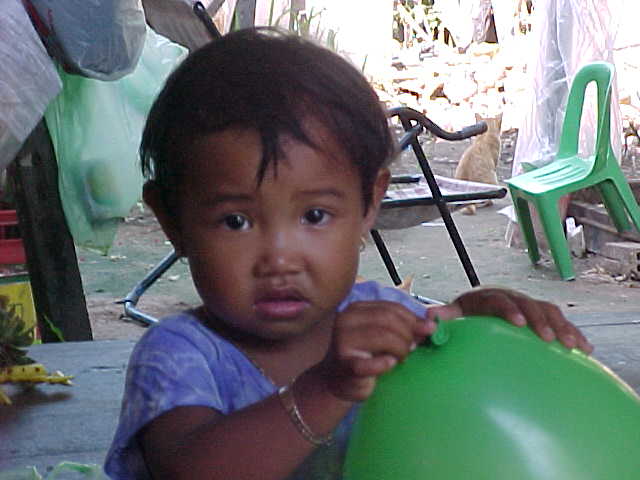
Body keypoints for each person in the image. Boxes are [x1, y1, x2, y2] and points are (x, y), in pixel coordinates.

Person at [104, 27, 592, 480]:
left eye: (314, 216)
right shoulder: (179, 358)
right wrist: (326, 388)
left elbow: (450, 357)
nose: (279, 258)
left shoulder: (385, 319)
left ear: (368, 205)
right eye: (236, 221)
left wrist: (480, 323)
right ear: (173, 223)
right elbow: (194, 471)